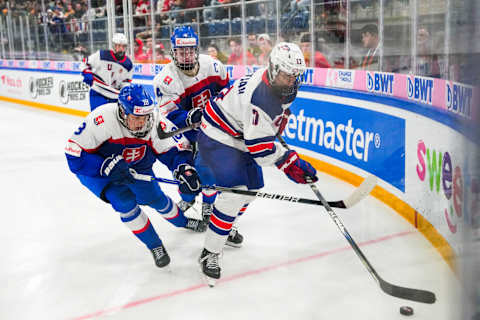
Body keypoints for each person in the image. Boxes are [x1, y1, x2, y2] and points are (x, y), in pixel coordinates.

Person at [196, 42, 318, 285]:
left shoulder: (281, 86)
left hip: (238, 134)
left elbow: (262, 129)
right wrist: (290, 163)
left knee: (251, 191)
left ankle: (225, 225)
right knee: (234, 194)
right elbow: (260, 151)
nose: (291, 80)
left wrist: (275, 127)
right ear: (273, 69)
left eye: (295, 75)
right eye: (285, 74)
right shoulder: (261, 96)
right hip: (217, 135)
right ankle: (209, 252)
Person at [64, 84, 207, 269]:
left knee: (157, 199)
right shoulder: (102, 118)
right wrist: (102, 166)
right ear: (123, 112)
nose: (143, 122)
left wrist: (184, 169)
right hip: (100, 172)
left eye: (146, 117)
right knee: (124, 202)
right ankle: (155, 245)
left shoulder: (154, 122)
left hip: (136, 166)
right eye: (137, 117)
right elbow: (73, 152)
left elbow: (174, 150)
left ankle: (183, 221)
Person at [153, 25, 245, 248]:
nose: (186, 55)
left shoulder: (213, 66)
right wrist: (189, 117)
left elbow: (228, 94)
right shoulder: (165, 79)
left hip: (213, 129)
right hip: (184, 133)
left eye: (189, 50)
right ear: (173, 52)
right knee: (189, 179)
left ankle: (211, 208)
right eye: (181, 51)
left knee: (215, 173)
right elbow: (171, 115)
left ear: (196, 49)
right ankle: (187, 198)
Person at [81, 33, 133, 111]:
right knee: (97, 117)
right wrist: (87, 73)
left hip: (115, 96)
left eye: (123, 46)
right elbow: (85, 63)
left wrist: (125, 89)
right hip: (98, 92)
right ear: (113, 46)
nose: (121, 49)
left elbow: (126, 81)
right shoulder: (102, 55)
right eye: (118, 46)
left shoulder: (128, 64)